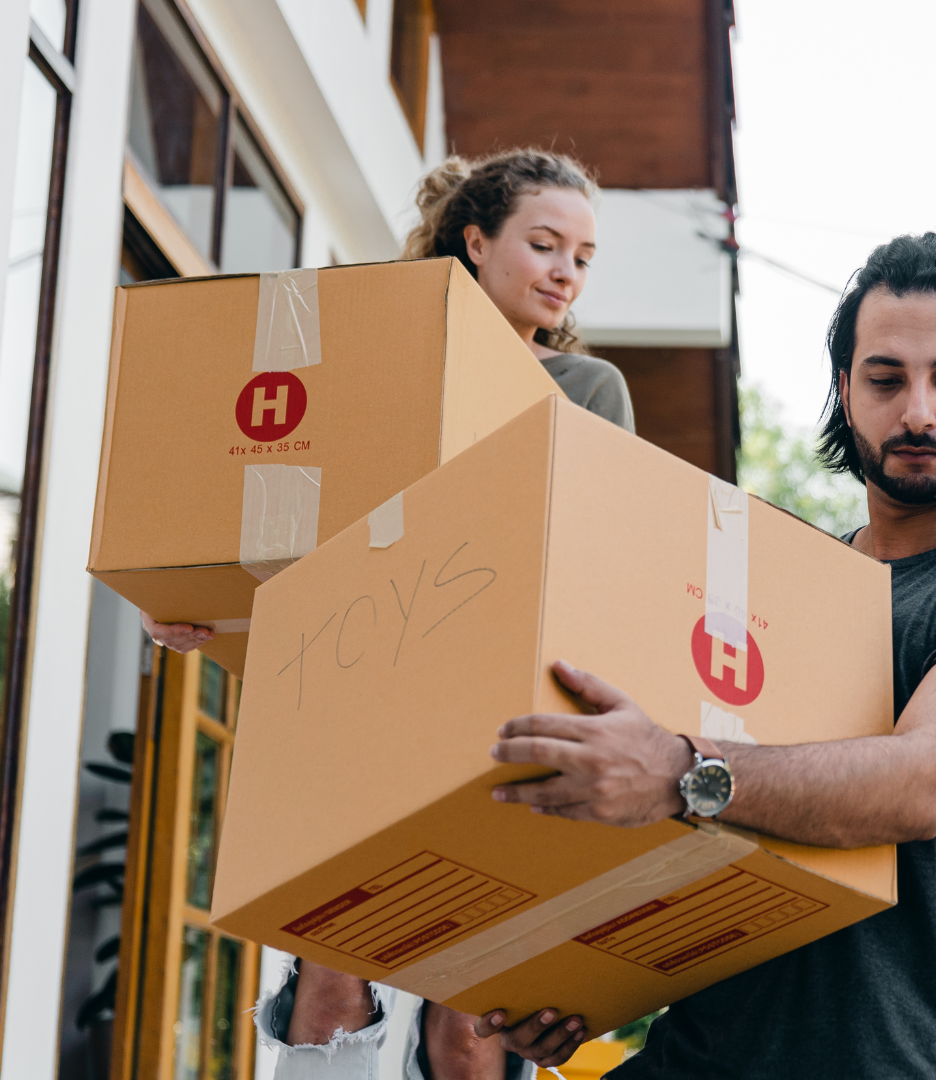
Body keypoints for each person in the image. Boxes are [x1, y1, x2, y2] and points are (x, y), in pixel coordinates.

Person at [466, 232, 936, 1077]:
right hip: (700, 1051)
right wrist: (575, 977)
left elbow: (921, 785)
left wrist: (678, 770)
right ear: (844, 391)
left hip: (899, 1061)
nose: (918, 412)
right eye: (884, 380)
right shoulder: (777, 587)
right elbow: (670, 822)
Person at [140, 149, 636, 1080]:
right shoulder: (372, 376)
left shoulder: (586, 389)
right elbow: (295, 533)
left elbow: (605, 565)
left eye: (583, 256)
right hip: (357, 706)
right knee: (331, 991)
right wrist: (196, 600)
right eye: (544, 244)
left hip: (501, 719)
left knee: (467, 1027)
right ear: (475, 241)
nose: (566, 271)